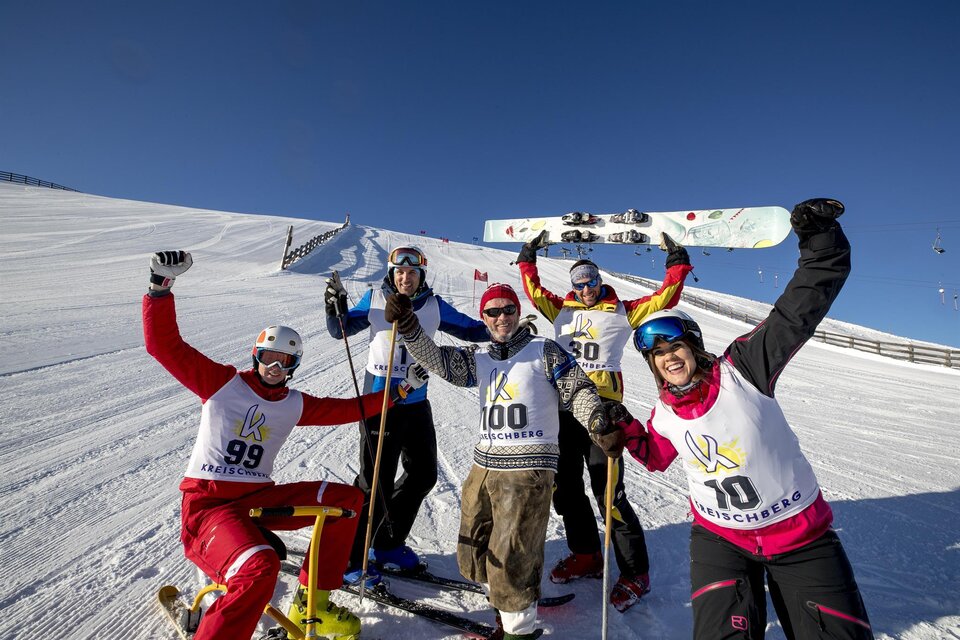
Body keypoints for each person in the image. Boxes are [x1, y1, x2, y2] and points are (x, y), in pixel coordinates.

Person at [609, 199, 874, 639]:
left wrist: (820, 241)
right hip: (721, 540)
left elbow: (797, 311)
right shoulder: (666, 411)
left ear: (693, 347)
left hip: (800, 538)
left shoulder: (744, 368)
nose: (668, 359)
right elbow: (655, 456)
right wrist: (622, 425)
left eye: (674, 347)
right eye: (656, 355)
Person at [143, 250, 427, 640]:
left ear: (294, 366)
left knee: (348, 501)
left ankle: (314, 602)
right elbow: (164, 345)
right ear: (255, 357)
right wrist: (161, 287)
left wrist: (400, 392)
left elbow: (351, 408)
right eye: (268, 359)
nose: (275, 368)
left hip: (257, 500)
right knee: (259, 569)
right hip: (209, 507)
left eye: (284, 362)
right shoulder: (223, 385)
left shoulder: (293, 403)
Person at [383, 282, 623, 640]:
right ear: (484, 318)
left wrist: (597, 421)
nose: (501, 318)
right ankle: (502, 611)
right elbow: (437, 359)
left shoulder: (544, 350)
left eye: (507, 309)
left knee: (513, 554)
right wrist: (408, 326)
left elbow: (578, 388)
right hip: (484, 466)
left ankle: (518, 630)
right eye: (492, 312)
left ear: (517, 312)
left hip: (528, 467)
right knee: (474, 545)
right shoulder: (480, 357)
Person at [514, 229, 693, 611]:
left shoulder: (623, 310)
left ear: (600, 280)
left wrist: (676, 260)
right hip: (562, 408)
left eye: (591, 280)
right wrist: (528, 254)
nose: (586, 288)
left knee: (609, 494)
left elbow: (666, 296)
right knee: (566, 490)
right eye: (579, 282)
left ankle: (635, 572)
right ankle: (587, 554)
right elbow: (533, 290)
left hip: (601, 409)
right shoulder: (560, 309)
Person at [324, 245, 489, 584]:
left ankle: (386, 544)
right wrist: (333, 307)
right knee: (374, 484)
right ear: (392, 273)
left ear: (421, 275)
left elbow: (472, 331)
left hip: (416, 402)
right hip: (378, 404)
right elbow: (339, 329)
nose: (406, 277)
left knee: (424, 474)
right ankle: (352, 557)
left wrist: (504, 324)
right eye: (400, 271)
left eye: (412, 272)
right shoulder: (372, 298)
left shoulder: (433, 305)